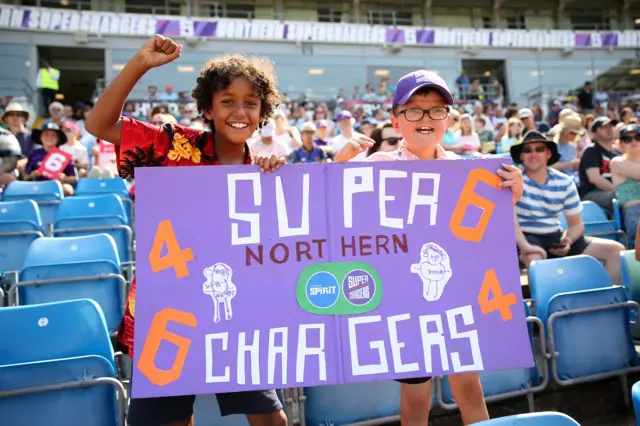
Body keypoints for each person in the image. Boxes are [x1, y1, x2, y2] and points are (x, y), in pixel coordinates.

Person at [260, 70, 524, 426]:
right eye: (414, 110)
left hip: (457, 302)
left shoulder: (468, 169)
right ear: (396, 121)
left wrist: (513, 192)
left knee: (471, 392)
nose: (426, 119)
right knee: (415, 402)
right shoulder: (377, 166)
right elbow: (329, 202)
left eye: (436, 110)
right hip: (406, 308)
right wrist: (340, 163)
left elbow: (488, 227)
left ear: (449, 117)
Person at [85, 34, 287, 426]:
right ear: (208, 109)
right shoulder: (171, 145)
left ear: (263, 112)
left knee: (272, 421)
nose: (239, 111)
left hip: (234, 318)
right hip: (168, 315)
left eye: (250, 103)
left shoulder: (263, 173)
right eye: (227, 101)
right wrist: (140, 64)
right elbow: (98, 124)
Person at [511, 130, 624, 284]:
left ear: (548, 154)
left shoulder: (564, 181)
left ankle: (609, 301)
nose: (533, 154)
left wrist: (568, 240)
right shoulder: (514, 181)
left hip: (555, 236)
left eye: (539, 149)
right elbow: (509, 222)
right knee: (535, 260)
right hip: (526, 237)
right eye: (527, 150)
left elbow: (576, 224)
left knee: (616, 250)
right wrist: (525, 246)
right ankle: (542, 307)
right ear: (521, 156)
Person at [578, 116, 620, 212]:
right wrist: (618, 190)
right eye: (603, 127)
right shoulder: (591, 151)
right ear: (595, 133)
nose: (609, 129)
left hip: (610, 192)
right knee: (623, 197)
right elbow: (595, 179)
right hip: (592, 194)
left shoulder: (616, 154)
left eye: (610, 126)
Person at [24, 121, 77, 196]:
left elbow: (74, 179)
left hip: (58, 186)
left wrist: (64, 178)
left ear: (58, 139)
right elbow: (25, 177)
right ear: (40, 137)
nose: (49, 138)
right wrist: (32, 175)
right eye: (46, 135)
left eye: (53, 135)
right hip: (37, 185)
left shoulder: (64, 156)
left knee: (67, 189)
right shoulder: (34, 154)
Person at [610, 124, 640, 234]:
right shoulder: (617, 162)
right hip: (635, 212)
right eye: (627, 139)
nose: (633, 141)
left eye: (638, 137)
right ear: (621, 144)